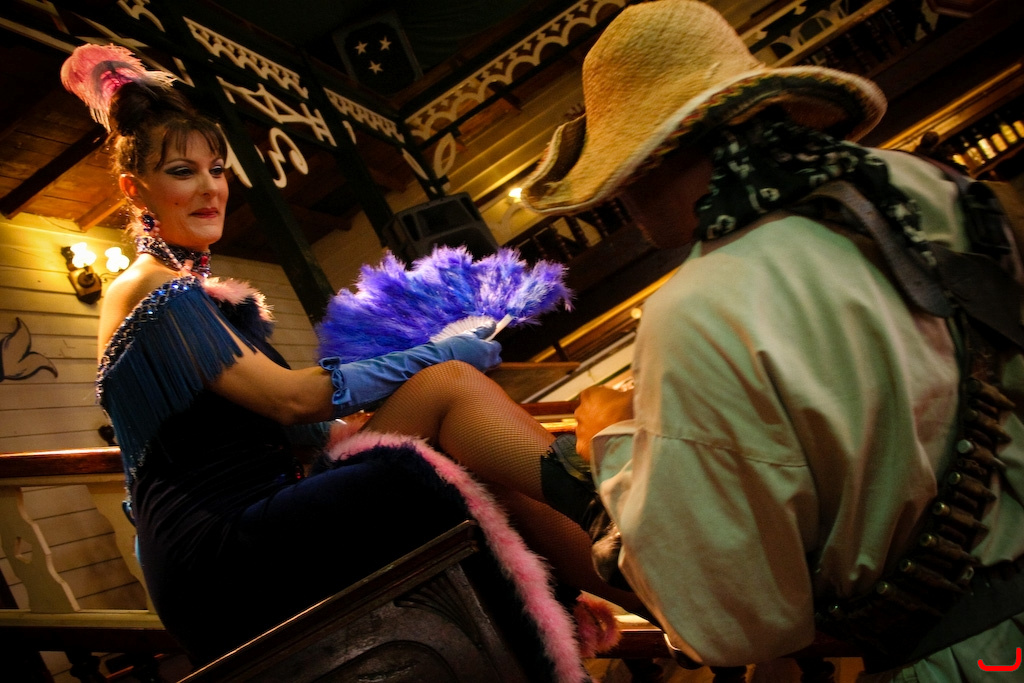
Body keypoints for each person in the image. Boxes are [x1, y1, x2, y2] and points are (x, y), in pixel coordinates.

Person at [60, 44, 640, 679]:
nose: (210, 188)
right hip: (219, 552)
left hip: (263, 511)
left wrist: (389, 390)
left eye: (217, 169)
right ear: (134, 188)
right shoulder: (146, 287)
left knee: (459, 417)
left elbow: (297, 428)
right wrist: (434, 353)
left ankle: (628, 564)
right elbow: (291, 399)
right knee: (448, 382)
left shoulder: (198, 297)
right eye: (182, 171)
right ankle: (625, 543)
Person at [520, 1, 1024, 681]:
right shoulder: (931, 188)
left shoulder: (699, 308)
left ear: (649, 162)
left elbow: (735, 621)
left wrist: (607, 443)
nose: (622, 202)